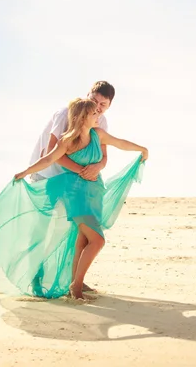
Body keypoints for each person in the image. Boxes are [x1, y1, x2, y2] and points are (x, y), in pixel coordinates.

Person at [0, 98, 148, 300]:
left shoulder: (98, 134)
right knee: (97, 240)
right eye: (94, 113)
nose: (99, 115)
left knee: (83, 240)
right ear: (82, 117)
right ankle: (76, 286)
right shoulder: (67, 141)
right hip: (76, 194)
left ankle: (76, 284)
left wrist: (142, 149)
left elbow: (120, 143)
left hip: (95, 192)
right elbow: (48, 158)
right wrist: (25, 172)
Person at [29, 81, 114, 293]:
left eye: (104, 104)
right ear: (87, 95)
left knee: (75, 232)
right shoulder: (66, 113)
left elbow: (104, 156)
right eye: (95, 101)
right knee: (44, 229)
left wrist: (98, 166)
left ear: (109, 105)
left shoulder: (101, 122)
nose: (98, 107)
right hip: (47, 176)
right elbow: (50, 152)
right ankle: (35, 278)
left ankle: (74, 279)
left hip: (74, 182)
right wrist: (81, 171)